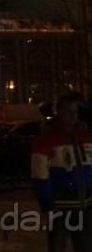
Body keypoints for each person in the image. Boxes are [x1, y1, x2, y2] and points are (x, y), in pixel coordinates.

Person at [32, 93, 92, 252]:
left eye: (75, 111)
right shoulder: (47, 140)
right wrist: (47, 205)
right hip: (59, 207)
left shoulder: (86, 137)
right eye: (68, 111)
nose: (73, 115)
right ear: (58, 112)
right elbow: (39, 175)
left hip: (86, 205)